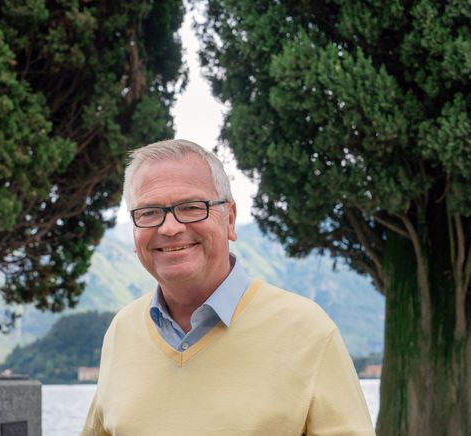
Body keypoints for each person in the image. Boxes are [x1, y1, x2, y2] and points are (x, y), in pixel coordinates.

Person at [82, 139, 374, 435]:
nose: (169, 227)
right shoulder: (122, 331)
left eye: (192, 207)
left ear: (230, 219)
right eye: (148, 212)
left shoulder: (308, 330)